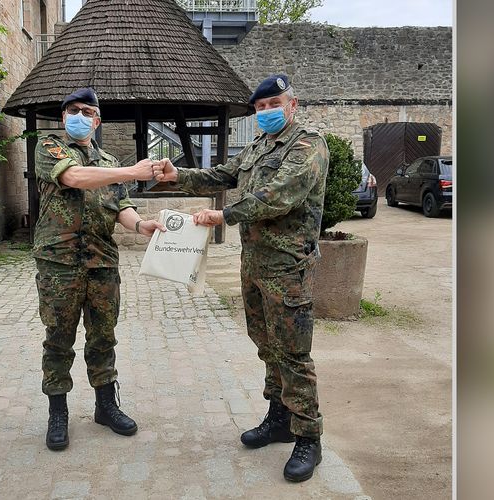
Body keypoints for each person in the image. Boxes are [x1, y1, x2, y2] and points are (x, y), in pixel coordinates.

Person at [156, 75, 329, 482]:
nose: (267, 112)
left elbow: (281, 194)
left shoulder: (308, 145)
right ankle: (279, 416)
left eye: (274, 104)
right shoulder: (257, 148)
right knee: (266, 344)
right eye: (261, 107)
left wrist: (223, 216)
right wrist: (176, 176)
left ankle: (309, 436)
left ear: (293, 104)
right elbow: (222, 174)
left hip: (288, 267)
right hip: (254, 264)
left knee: (293, 352)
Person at [33, 87, 166, 451]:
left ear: (97, 120)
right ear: (64, 118)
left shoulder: (108, 160)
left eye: (87, 111)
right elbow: (75, 178)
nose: (80, 116)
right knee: (59, 338)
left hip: (101, 262)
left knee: (103, 336)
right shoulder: (49, 147)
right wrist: (132, 169)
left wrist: (142, 225)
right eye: (73, 110)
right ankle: (57, 412)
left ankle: (106, 406)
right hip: (58, 263)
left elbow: (119, 205)